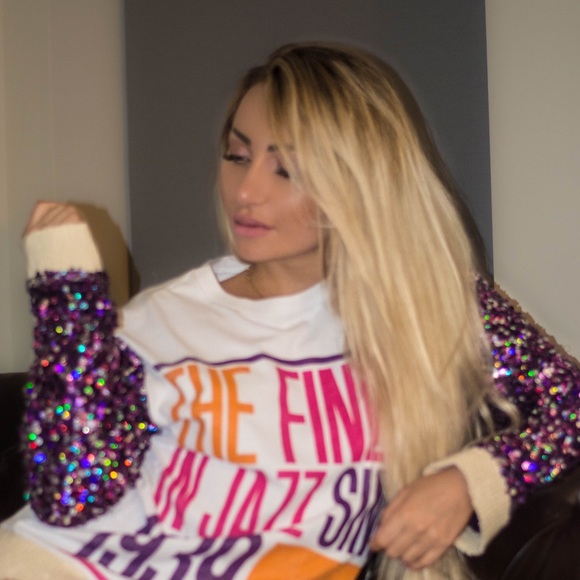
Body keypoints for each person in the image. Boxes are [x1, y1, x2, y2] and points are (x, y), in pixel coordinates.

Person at [1, 42, 578, 580]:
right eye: (237, 155)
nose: (245, 191)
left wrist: (467, 483)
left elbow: (568, 404)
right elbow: (71, 498)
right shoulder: (161, 320)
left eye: (286, 170)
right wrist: (69, 300)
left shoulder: (431, 304)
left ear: (360, 181)